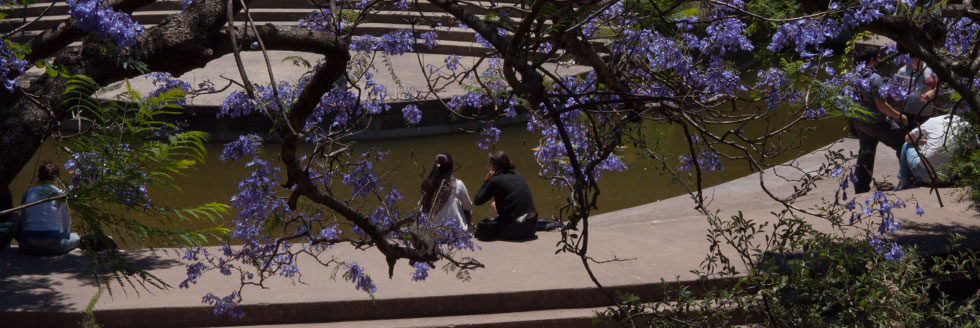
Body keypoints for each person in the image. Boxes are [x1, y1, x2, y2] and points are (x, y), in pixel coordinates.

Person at [851, 47, 909, 194]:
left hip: (860, 121)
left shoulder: (854, 76)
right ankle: (907, 179)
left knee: (866, 153)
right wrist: (899, 116)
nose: (880, 60)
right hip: (877, 122)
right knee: (903, 143)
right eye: (878, 57)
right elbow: (881, 105)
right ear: (871, 60)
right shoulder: (875, 78)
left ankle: (861, 187)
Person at [897, 111, 974, 189]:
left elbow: (908, 138)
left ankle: (904, 182)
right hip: (950, 177)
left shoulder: (932, 121)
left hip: (928, 176)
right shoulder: (966, 124)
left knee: (907, 144)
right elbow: (974, 147)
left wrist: (924, 141)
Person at [16, 162, 81, 256]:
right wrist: (65, 236)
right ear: (56, 178)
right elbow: (66, 222)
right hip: (52, 245)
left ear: (39, 177)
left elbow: (23, 220)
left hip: (27, 245)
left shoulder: (28, 193)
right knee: (76, 236)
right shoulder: (61, 194)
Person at [473, 151, 537, 241]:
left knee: (482, 228)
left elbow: (477, 200)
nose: (487, 166)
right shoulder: (519, 175)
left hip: (514, 231)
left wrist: (486, 180)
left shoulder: (495, 181)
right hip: (532, 227)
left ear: (493, 166)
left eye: (488, 163)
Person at [419, 153, 474, 229]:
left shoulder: (426, 184)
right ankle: (464, 231)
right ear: (451, 167)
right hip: (453, 235)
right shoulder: (457, 184)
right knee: (467, 210)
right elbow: (469, 206)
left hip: (430, 234)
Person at [894, 56, 939, 126]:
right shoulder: (902, 71)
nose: (916, 60)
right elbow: (894, 90)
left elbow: (938, 87)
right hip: (908, 112)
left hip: (927, 112)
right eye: (913, 57)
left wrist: (932, 92)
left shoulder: (930, 69)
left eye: (918, 56)